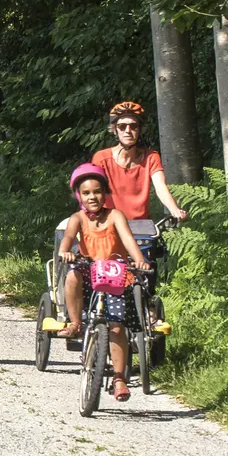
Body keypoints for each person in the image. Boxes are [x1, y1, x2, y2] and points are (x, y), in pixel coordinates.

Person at [56, 162, 152, 401]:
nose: (92, 197)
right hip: (89, 270)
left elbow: (128, 240)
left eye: (97, 191)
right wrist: (65, 251)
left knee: (117, 325)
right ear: (79, 195)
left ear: (105, 193)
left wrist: (139, 260)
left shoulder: (115, 215)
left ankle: (119, 378)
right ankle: (76, 323)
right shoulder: (78, 218)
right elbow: (68, 237)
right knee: (72, 275)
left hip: (116, 271)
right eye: (86, 193)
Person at [91, 101, 188, 223]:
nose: (128, 130)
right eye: (122, 126)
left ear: (140, 130)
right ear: (115, 130)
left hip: (141, 226)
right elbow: (92, 190)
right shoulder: (101, 158)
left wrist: (175, 210)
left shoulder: (151, 157)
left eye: (133, 126)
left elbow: (160, 187)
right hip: (109, 223)